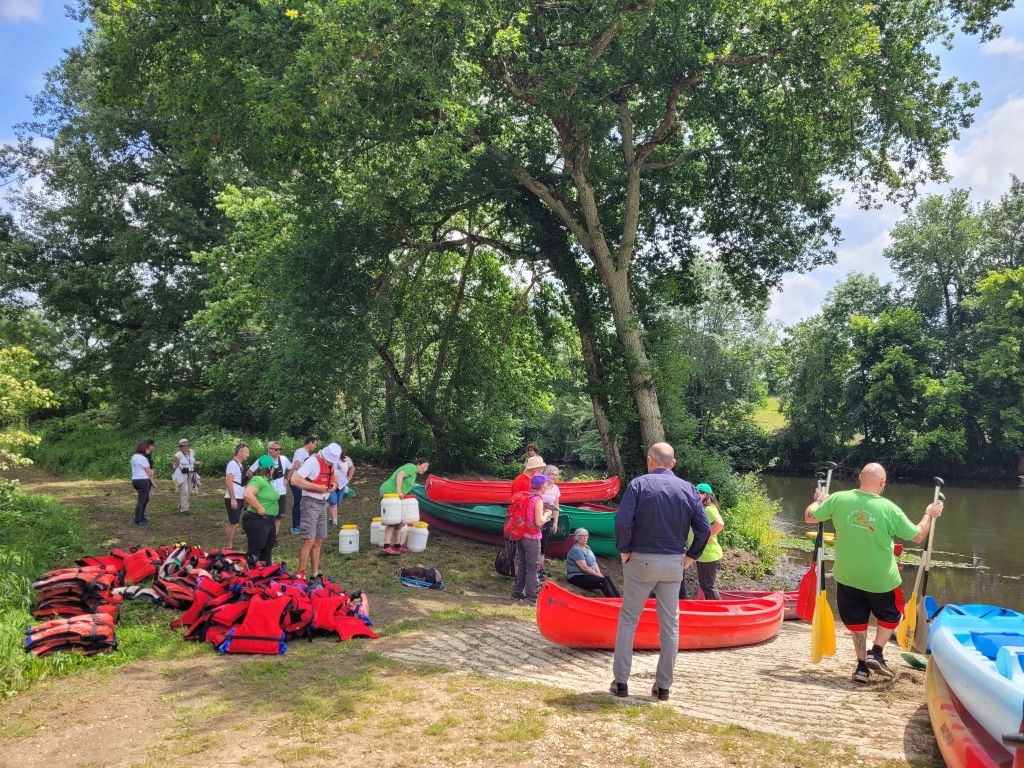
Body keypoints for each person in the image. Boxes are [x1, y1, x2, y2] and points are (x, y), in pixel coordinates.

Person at [804, 462, 943, 683]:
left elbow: (810, 516)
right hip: (882, 580)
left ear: (860, 477)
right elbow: (917, 535)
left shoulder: (838, 499)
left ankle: (861, 668)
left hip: (848, 577)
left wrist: (820, 500)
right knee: (891, 614)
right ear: (882, 483)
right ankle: (876, 652)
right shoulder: (889, 508)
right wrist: (929, 514)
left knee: (857, 622)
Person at [611, 442, 710, 701]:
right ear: (673, 463)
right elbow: (704, 530)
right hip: (674, 563)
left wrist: (623, 549)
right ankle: (663, 686)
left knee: (629, 619)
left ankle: (621, 682)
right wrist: (690, 557)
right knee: (670, 626)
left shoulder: (638, 484)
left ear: (650, 461)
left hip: (641, 560)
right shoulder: (689, 489)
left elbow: (622, 520)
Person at [291, 442, 343, 579]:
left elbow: (336, 476)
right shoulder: (313, 462)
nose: (332, 463)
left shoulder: (332, 463)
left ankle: (315, 574)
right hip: (310, 502)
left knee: (319, 540)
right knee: (309, 540)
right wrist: (316, 487)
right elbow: (294, 480)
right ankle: (300, 574)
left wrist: (334, 484)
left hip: (323, 504)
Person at [511, 473, 553, 605]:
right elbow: (539, 522)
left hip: (522, 535)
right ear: (541, 486)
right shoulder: (538, 500)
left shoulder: (528, 496)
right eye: (546, 484)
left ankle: (517, 593)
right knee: (532, 568)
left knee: (523, 565)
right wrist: (548, 513)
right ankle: (531, 598)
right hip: (532, 538)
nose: (548, 486)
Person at [378, 458, 429, 555]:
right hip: (389, 492)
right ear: (418, 464)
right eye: (425, 466)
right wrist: (398, 490)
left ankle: (397, 545)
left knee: (400, 521)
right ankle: (386, 547)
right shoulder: (411, 467)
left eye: (427, 467)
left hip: (396, 496)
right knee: (393, 521)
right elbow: (400, 474)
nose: (425, 469)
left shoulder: (414, 474)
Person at [687, 482, 725, 600]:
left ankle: (718, 611)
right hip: (701, 553)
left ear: (708, 495)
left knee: (707, 586)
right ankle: (709, 607)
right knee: (704, 585)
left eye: (701, 492)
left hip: (709, 554)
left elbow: (720, 523)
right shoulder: (700, 507)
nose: (698, 494)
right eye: (696, 491)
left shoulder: (709, 509)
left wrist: (709, 535)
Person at [242, 454, 280, 565]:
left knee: (267, 550)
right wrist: (259, 507)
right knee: (256, 551)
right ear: (269, 468)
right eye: (273, 467)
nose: (274, 469)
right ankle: (251, 576)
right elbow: (248, 494)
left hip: (269, 521)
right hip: (259, 520)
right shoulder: (258, 480)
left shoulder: (267, 481)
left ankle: (266, 574)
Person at [248, 440, 291, 536]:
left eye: (280, 449)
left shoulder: (283, 459)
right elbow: (249, 472)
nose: (278, 451)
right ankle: (263, 534)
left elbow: (292, 468)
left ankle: (274, 537)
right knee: (266, 515)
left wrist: (287, 478)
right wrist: (257, 483)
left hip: (280, 492)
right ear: (269, 450)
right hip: (266, 493)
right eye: (276, 449)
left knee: (278, 516)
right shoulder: (263, 459)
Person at [566, 528, 620, 597]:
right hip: (576, 577)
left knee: (606, 578)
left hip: (585, 576)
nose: (585, 537)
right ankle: (613, 600)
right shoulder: (576, 550)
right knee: (602, 581)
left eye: (586, 535)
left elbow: (594, 562)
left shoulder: (587, 547)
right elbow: (584, 568)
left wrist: (599, 573)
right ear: (577, 537)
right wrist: (597, 575)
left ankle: (619, 599)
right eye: (582, 535)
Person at [288, 437, 317, 535]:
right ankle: (295, 526)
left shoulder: (306, 453)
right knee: (298, 501)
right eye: (315, 444)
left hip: (300, 480)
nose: (315, 446)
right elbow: (296, 465)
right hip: (296, 480)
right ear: (310, 443)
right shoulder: (301, 452)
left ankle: (301, 523)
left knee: (302, 501)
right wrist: (308, 472)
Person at [538, 463, 562, 579]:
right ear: (547, 474)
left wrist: (555, 522)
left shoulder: (556, 489)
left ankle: (540, 568)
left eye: (556, 475)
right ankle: (533, 567)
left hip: (547, 519)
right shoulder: (541, 485)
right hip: (537, 518)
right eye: (552, 474)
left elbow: (556, 506)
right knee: (535, 543)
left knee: (543, 545)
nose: (554, 477)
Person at [224, 443, 250, 549]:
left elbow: (240, 482)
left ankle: (229, 544)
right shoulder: (232, 464)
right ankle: (228, 546)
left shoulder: (240, 465)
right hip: (233, 497)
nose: (248, 454)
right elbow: (229, 482)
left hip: (240, 496)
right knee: (234, 523)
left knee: (235, 522)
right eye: (246, 452)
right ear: (240, 453)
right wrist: (233, 499)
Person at [172, 438, 203, 516]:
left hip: (192, 472)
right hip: (182, 474)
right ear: (180, 447)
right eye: (183, 446)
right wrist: (178, 468)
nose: (185, 447)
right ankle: (184, 509)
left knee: (189, 490)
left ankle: (181, 504)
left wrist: (198, 462)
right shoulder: (178, 455)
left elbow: (192, 461)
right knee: (184, 490)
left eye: (187, 446)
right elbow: (175, 465)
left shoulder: (192, 452)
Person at [130, 440, 157, 527]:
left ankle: (141, 517)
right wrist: (153, 471)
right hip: (143, 481)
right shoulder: (143, 459)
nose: (148, 449)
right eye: (147, 448)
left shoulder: (134, 457)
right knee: (141, 501)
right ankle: (138, 520)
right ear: (144, 449)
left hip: (135, 480)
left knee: (144, 500)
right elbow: (150, 472)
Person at [328, 447, 355, 527]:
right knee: (333, 502)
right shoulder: (329, 459)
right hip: (331, 484)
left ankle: (330, 518)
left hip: (341, 484)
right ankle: (335, 523)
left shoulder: (346, 460)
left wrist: (349, 477)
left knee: (338, 502)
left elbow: (352, 468)